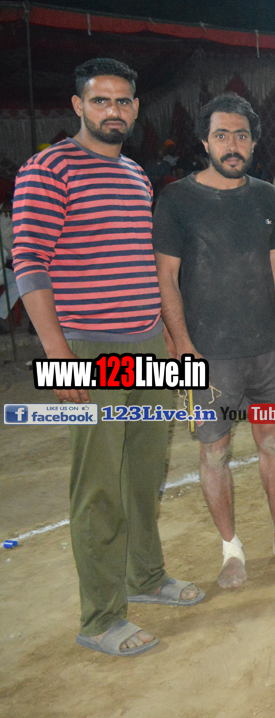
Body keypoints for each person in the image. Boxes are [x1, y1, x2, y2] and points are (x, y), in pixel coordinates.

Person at [13, 58, 202, 657]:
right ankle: (100, 617)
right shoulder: (47, 169)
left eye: (123, 101)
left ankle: (145, 576)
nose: (113, 111)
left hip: (145, 342)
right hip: (87, 346)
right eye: (100, 101)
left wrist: (166, 332)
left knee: (145, 469)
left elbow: (143, 261)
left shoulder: (135, 175)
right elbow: (29, 263)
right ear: (78, 106)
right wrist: (56, 352)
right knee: (97, 484)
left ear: (135, 108)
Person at [156, 93, 275, 588]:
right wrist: (183, 345)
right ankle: (231, 550)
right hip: (209, 356)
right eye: (221, 135)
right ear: (205, 142)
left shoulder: (267, 196)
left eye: (241, 135)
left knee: (274, 444)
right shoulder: (176, 200)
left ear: (253, 142)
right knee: (214, 453)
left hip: (266, 350)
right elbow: (166, 278)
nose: (232, 144)